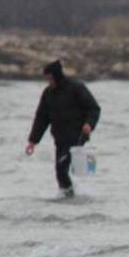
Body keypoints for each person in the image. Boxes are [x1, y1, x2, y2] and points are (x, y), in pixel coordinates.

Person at [24, 60, 101, 198]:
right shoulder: (48, 94)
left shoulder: (76, 87)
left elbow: (94, 108)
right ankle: (68, 195)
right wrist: (32, 141)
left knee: (61, 167)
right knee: (59, 171)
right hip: (60, 139)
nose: (48, 82)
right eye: (46, 79)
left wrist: (89, 124)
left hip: (77, 136)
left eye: (50, 78)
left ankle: (70, 196)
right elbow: (41, 118)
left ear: (57, 76)